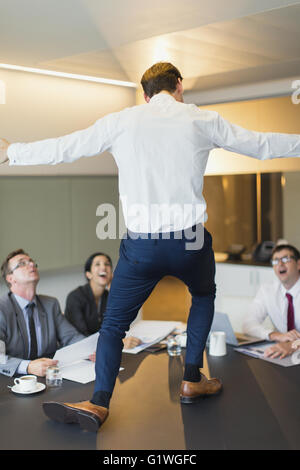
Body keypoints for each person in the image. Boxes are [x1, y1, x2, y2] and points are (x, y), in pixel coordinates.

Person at [1, 62, 300, 432]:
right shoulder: (200, 119)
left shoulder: (122, 120)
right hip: (189, 241)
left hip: (141, 246)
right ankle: (192, 378)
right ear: (178, 86)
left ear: (144, 94)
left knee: (112, 326)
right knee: (203, 296)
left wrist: (14, 152)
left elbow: (67, 147)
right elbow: (262, 144)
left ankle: (98, 402)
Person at [0, 248, 88, 377]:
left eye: (31, 261)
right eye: (22, 263)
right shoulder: (2, 308)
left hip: (49, 374)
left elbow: (71, 337)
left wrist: (90, 349)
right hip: (14, 379)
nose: (31, 264)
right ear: (10, 278)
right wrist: (28, 366)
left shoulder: (50, 304)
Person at [64, 252, 141, 349]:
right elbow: (81, 336)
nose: (103, 267)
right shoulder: (75, 297)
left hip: (100, 349)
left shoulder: (108, 296)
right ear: (88, 274)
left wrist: (115, 289)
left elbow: (119, 324)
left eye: (107, 264)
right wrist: (116, 342)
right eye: (97, 264)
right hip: (80, 350)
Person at [243, 244, 300, 360]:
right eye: (275, 261)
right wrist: (275, 335)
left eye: (285, 259)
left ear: (298, 264)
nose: (280, 264)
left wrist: (294, 345)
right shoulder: (267, 290)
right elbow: (248, 324)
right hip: (282, 354)